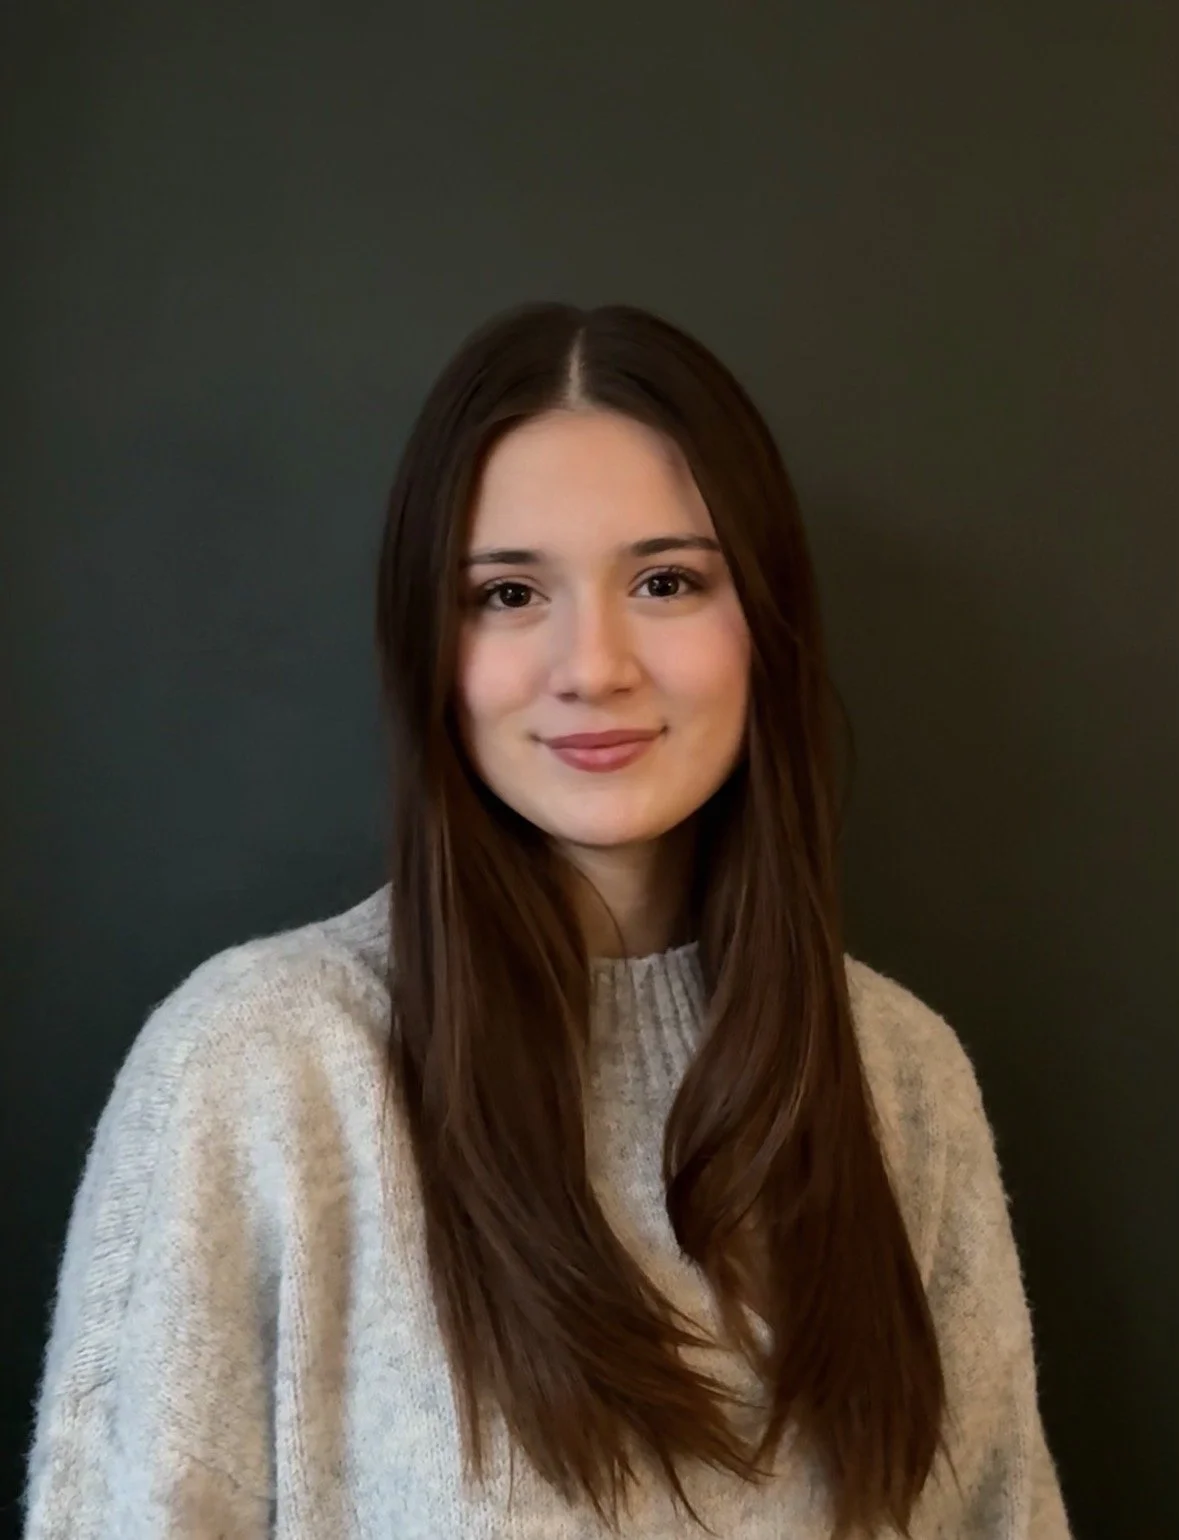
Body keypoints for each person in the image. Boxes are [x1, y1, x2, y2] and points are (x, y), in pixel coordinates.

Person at [23, 302, 1072, 1539]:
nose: (594, 664)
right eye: (511, 592)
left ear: (766, 624)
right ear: (429, 646)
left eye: (667, 581)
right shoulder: (259, 1067)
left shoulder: (898, 1076)